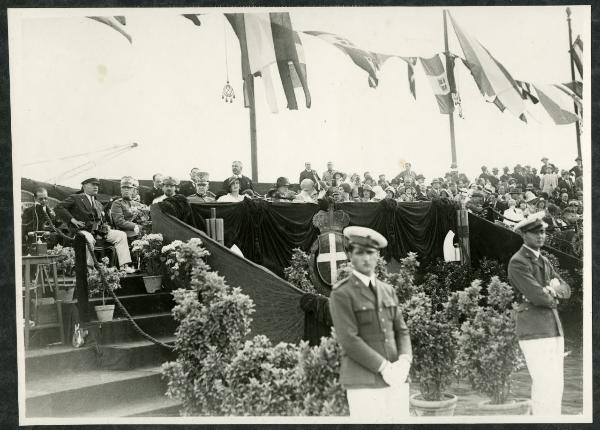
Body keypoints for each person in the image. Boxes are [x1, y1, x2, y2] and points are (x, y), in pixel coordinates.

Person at [329, 226, 412, 420]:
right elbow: (349, 340)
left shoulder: (388, 290)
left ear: (378, 256)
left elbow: (402, 331)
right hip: (363, 381)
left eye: (370, 253)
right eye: (359, 252)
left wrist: (404, 362)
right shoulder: (342, 293)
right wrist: (384, 367)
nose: (366, 258)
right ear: (350, 256)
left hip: (397, 378)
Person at [508, 212, 571, 416]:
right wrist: (552, 294)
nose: (541, 236)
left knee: (556, 386)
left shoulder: (543, 260)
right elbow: (539, 297)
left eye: (543, 231)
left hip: (552, 328)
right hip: (534, 329)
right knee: (544, 385)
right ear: (524, 234)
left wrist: (552, 291)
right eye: (536, 232)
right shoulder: (518, 261)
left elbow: (567, 289)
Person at [55, 178, 135, 273]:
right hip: (82, 230)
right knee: (88, 239)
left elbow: (101, 219)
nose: (96, 187)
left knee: (121, 235)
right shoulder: (76, 198)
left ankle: (124, 266)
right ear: (84, 186)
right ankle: (90, 268)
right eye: (92, 185)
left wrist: (105, 226)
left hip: (98, 231)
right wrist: (73, 220)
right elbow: (59, 207)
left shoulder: (98, 203)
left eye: (97, 185)